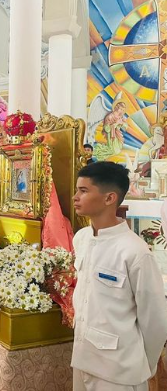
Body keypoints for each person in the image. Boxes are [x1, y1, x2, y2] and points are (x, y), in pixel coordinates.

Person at [71, 161, 167, 391]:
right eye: (77, 190)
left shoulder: (134, 251)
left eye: (84, 191)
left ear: (109, 198)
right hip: (83, 359)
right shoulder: (82, 238)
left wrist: (143, 365)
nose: (75, 197)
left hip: (119, 371)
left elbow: (154, 320)